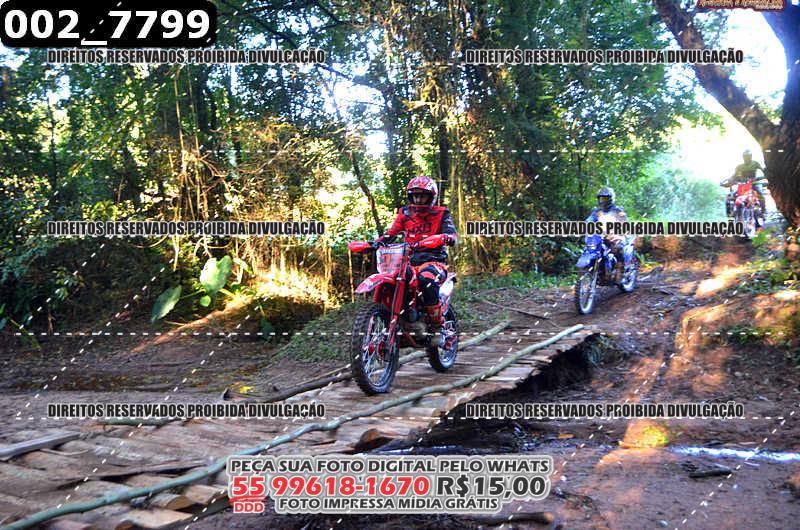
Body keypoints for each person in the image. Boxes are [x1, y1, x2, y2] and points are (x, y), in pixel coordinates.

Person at [373, 175, 457, 346]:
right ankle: (398, 318)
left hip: (434, 261)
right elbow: (391, 233)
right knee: (394, 279)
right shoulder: (405, 213)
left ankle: (438, 327)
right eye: (415, 196)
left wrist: (446, 237)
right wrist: (375, 244)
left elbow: (452, 235)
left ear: (431, 196)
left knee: (426, 280)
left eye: (422, 196)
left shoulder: (442, 213)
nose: (418, 200)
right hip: (408, 261)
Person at [586, 186, 628, 279]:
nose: (603, 201)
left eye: (605, 198)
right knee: (590, 249)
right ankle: (598, 271)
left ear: (611, 199)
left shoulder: (617, 211)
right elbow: (589, 220)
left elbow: (624, 222)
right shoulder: (597, 212)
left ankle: (620, 272)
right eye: (601, 198)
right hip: (600, 237)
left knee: (618, 249)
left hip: (615, 237)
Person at [721, 149, 767, 214]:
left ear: (751, 156)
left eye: (748, 156)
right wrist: (728, 181)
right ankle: (733, 212)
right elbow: (734, 176)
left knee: (760, 194)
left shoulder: (755, 163)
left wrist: (764, 176)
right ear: (743, 157)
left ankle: (763, 210)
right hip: (744, 184)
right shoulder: (739, 167)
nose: (747, 158)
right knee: (734, 196)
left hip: (755, 183)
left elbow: (763, 171)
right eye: (745, 157)